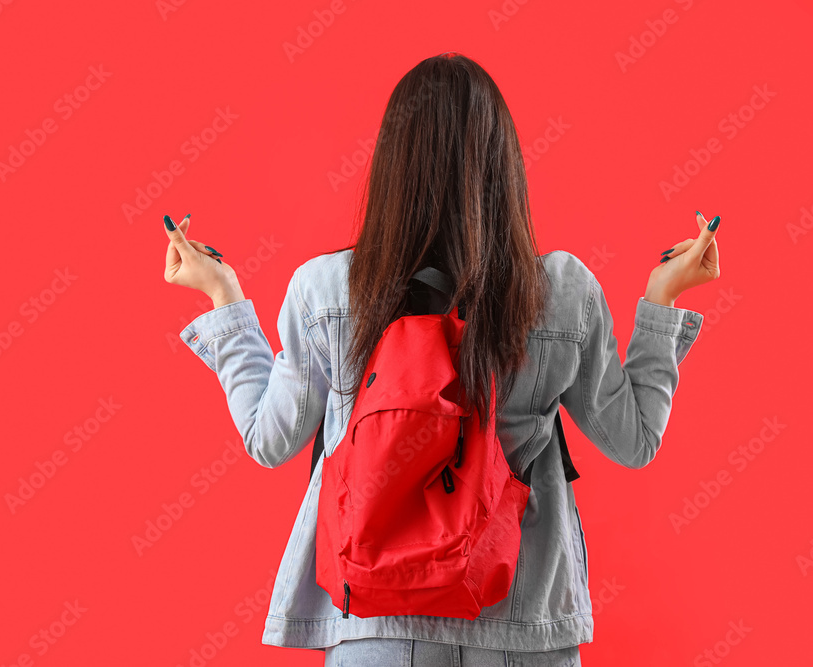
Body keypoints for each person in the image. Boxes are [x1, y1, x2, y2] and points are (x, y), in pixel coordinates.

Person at [161, 52, 720, 667]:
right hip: (523, 625)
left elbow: (270, 440)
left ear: (391, 166)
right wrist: (663, 300)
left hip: (375, 623)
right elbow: (633, 440)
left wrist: (225, 300)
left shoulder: (326, 290)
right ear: (502, 166)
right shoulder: (561, 293)